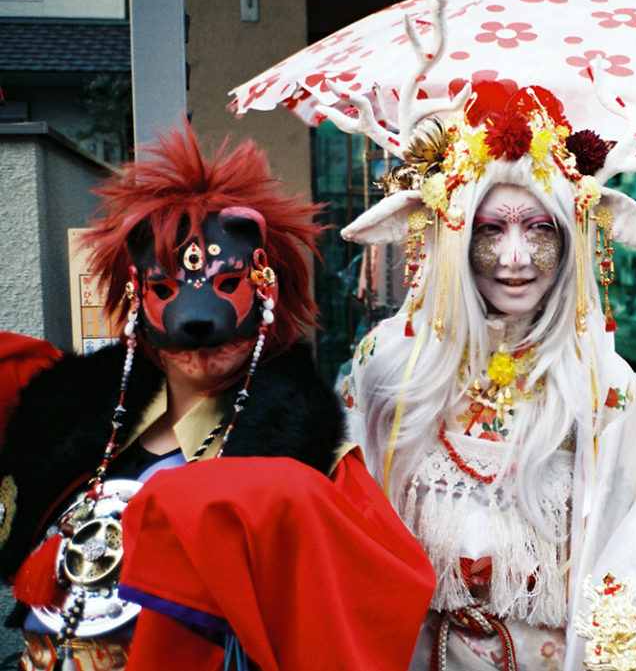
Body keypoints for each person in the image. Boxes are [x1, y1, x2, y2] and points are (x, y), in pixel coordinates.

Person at [0, 126, 434, 671]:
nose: (196, 325)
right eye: (164, 290)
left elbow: (380, 600)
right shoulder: (69, 421)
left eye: (227, 284)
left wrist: (272, 499)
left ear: (268, 289)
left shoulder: (316, 471)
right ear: (134, 298)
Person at [333, 78, 636, 671]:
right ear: (450, 232)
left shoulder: (605, 384)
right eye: (489, 229)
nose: (516, 258)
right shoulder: (387, 363)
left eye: (540, 229)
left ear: (575, 235)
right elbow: (342, 517)